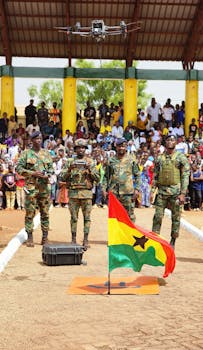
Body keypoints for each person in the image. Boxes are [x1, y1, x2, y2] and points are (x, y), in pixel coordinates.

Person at [150, 134, 190, 249]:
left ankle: (173, 240)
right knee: (157, 216)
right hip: (162, 192)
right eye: (168, 140)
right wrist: (153, 191)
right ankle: (155, 239)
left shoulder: (181, 157)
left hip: (175, 192)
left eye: (172, 140)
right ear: (165, 142)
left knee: (176, 217)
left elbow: (185, 175)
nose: (170, 142)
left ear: (176, 142)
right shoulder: (160, 158)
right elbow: (156, 176)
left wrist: (182, 193)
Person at [60, 138, 100, 250]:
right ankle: (73, 239)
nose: (81, 150)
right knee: (73, 218)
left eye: (83, 148)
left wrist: (90, 169)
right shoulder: (69, 162)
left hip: (86, 193)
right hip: (73, 193)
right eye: (78, 148)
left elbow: (97, 178)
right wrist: (69, 169)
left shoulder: (91, 162)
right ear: (75, 149)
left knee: (87, 218)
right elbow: (62, 177)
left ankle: (86, 239)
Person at [16, 131, 54, 247]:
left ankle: (45, 237)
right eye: (36, 139)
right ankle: (30, 237)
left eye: (40, 138)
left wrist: (47, 174)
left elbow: (51, 169)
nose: (39, 140)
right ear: (32, 141)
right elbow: (19, 169)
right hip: (31, 188)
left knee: (45, 212)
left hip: (44, 188)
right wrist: (33, 173)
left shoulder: (46, 153)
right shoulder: (26, 153)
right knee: (30, 212)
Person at [103, 137, 140, 222]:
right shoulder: (111, 161)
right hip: (114, 193)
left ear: (126, 147)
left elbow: (137, 175)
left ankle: (129, 235)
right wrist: (104, 189)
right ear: (116, 147)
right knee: (114, 217)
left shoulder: (131, 160)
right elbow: (106, 176)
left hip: (128, 193)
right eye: (119, 146)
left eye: (123, 146)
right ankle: (116, 235)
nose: (121, 148)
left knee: (129, 216)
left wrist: (137, 189)